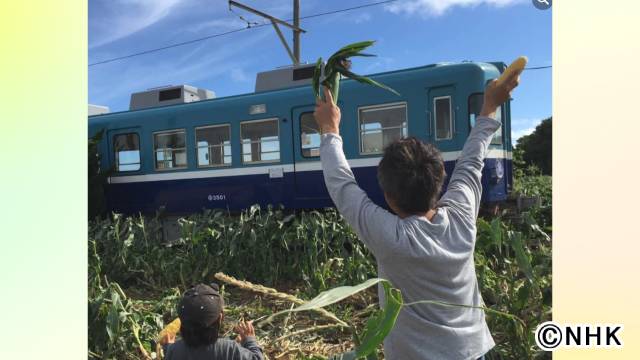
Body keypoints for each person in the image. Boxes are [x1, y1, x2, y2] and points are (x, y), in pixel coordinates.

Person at [313, 70, 521, 359]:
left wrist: (330, 129)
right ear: (439, 181)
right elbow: (473, 160)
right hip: (473, 352)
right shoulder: (461, 217)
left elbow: (341, 184)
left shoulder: (391, 238)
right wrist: (489, 106)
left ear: (388, 197)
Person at [160, 283, 264, 360]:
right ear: (220, 318)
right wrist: (250, 341)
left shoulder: (174, 351)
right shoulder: (230, 349)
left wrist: (167, 347)